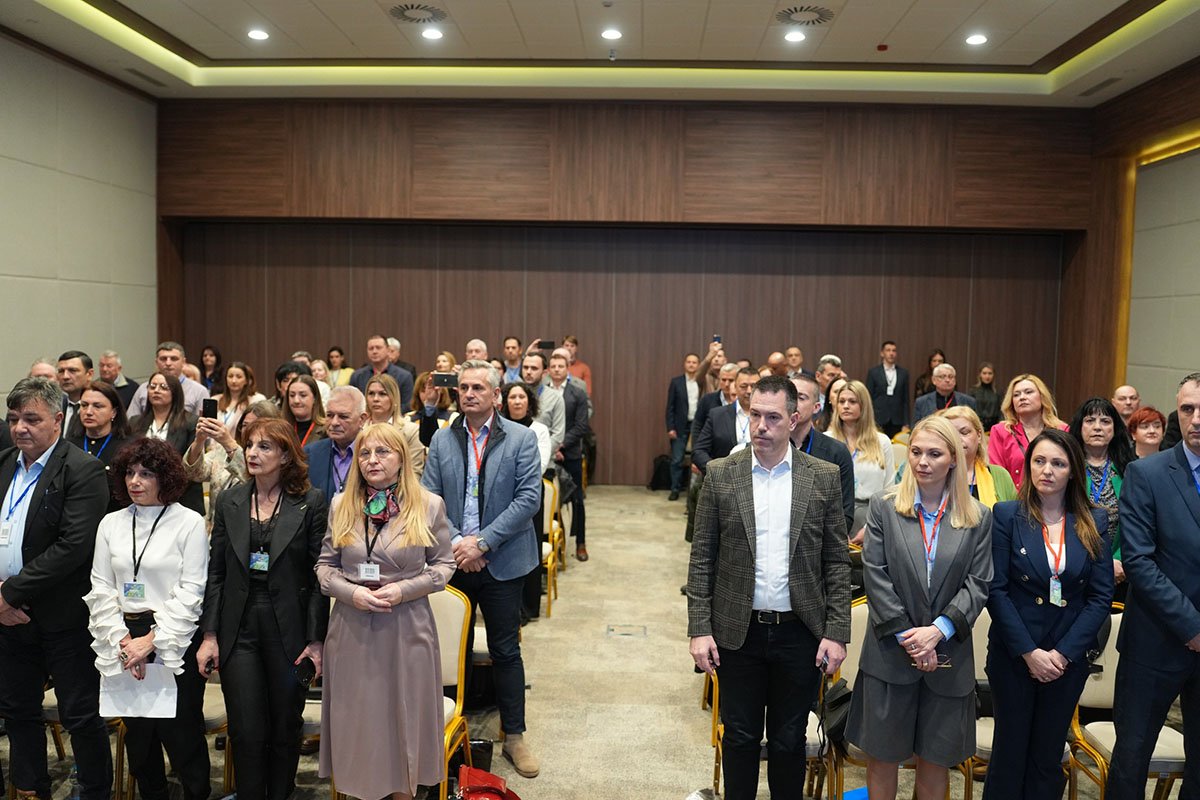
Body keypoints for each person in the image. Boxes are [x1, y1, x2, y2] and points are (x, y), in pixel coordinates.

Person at [687, 376, 851, 800]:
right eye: (755, 415)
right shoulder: (722, 474)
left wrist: (837, 632)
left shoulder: (822, 477)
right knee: (739, 737)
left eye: (773, 417)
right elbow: (702, 559)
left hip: (800, 631)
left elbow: (836, 562)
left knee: (788, 740)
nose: (761, 425)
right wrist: (699, 629)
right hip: (737, 631)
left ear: (794, 419)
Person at [845, 415, 993, 800]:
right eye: (916, 452)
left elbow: (978, 583)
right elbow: (876, 575)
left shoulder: (978, 517)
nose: (922, 461)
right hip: (890, 655)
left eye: (934, 454)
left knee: (935, 762)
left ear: (954, 459)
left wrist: (937, 632)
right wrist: (911, 638)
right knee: (882, 759)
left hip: (948, 656)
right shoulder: (884, 507)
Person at [315, 421, 455, 799]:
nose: (372, 460)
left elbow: (444, 567)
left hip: (406, 626)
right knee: (360, 726)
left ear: (401, 459)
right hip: (352, 628)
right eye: (364, 453)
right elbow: (325, 568)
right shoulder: (341, 505)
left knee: (402, 722)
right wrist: (351, 594)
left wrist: (403, 590)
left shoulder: (428, 505)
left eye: (382, 452)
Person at [420, 360, 543, 779]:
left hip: (503, 560)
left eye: (478, 388)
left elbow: (528, 500)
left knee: (505, 650)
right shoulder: (442, 439)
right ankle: (441, 729)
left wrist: (483, 542)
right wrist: (459, 543)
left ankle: (515, 736)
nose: (469, 394)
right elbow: (430, 496)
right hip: (453, 560)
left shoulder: (521, 438)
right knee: (446, 649)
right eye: (464, 387)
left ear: (495, 395)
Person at [196, 418, 328, 800]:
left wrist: (316, 641)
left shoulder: (311, 502)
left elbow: (319, 577)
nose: (252, 453)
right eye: (250, 445)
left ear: (285, 455)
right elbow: (216, 572)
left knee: (285, 727)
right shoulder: (230, 500)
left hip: (289, 627)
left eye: (264, 446)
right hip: (239, 626)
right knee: (246, 730)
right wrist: (209, 635)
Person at [983, 428, 1112, 800]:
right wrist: (1029, 652)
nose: (1047, 470)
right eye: (1039, 461)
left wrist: (1062, 655)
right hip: (1014, 655)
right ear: (1028, 466)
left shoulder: (1094, 520)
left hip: (1065, 660)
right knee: (1009, 755)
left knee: (1047, 758)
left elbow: (1100, 597)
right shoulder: (1007, 515)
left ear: (1073, 471)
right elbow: (996, 589)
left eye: (1058, 463)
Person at [0, 378, 112, 800]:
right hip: (8, 617)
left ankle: (94, 791)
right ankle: (31, 788)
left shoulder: (83, 469)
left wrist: (9, 593)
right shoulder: (4, 463)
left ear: (58, 420)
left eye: (31, 419)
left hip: (62, 616)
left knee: (79, 714)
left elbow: (73, 546)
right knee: (18, 710)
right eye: (13, 419)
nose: (20, 428)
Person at [85, 439, 211, 800]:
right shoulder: (111, 523)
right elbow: (100, 585)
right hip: (122, 634)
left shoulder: (188, 522)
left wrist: (151, 642)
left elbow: (192, 590)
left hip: (174, 635)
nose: (135, 481)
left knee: (182, 735)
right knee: (139, 740)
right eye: (129, 473)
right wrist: (123, 640)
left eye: (146, 474)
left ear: (165, 477)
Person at [1105, 372, 1200, 799]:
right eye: (1187, 409)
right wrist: (1192, 627)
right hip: (1155, 643)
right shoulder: (1147, 473)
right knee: (1131, 763)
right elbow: (1139, 561)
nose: (1196, 419)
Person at [1069, 397, 1134, 594]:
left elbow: (1137, 522)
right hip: (1072, 564)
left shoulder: (1130, 469)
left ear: (1115, 429)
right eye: (1090, 421)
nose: (1097, 427)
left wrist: (1118, 560)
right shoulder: (1067, 467)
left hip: (1118, 568)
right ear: (1080, 427)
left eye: (1105, 421)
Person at [825, 379, 896, 544]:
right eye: (841, 401)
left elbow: (890, 490)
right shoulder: (826, 440)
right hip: (834, 516)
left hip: (872, 516)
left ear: (864, 406)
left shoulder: (882, 441)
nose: (846, 406)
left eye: (852, 401)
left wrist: (870, 526)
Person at [130, 373, 205, 517]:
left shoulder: (190, 422)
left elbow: (192, 464)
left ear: (175, 392)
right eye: (152, 386)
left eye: (163, 387)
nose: (156, 391)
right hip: (143, 495)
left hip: (181, 496)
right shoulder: (135, 422)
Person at [789, 374, 855, 536]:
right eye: (790, 397)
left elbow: (845, 514)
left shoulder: (836, 451)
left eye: (801, 398)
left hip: (818, 541)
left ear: (816, 407)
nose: (793, 403)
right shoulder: (768, 449)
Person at [988, 374, 1068, 489]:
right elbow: (997, 475)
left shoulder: (1062, 430)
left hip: (1053, 496)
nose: (1022, 397)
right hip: (1013, 497)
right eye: (1016, 395)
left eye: (1028, 392)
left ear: (1042, 396)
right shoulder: (1001, 431)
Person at [547, 350, 590, 560]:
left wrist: (560, 445)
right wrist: (551, 447)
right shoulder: (542, 392)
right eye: (553, 366)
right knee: (550, 501)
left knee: (577, 500)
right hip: (547, 453)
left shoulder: (578, 393)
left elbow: (581, 426)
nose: (557, 370)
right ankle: (554, 544)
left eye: (560, 366)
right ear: (548, 369)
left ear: (567, 369)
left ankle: (581, 543)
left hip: (570, 453)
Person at [67, 381, 134, 511]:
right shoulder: (69, 445)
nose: (88, 412)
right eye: (84, 405)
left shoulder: (129, 447)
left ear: (113, 412)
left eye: (97, 406)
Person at [941, 406, 1017, 506]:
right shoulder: (934, 475)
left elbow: (1014, 514)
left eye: (964, 433)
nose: (957, 439)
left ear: (979, 435)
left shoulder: (1000, 475)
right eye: (951, 434)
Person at [305, 386, 368, 502]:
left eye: (343, 417)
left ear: (362, 419)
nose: (334, 422)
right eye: (330, 415)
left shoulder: (375, 455)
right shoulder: (310, 454)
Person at [364, 374, 426, 475]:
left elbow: (414, 472)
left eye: (382, 394)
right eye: (371, 393)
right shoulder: (359, 429)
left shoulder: (410, 431)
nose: (375, 399)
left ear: (393, 398)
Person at [128, 343, 210, 417]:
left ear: (183, 362)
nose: (168, 363)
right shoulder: (144, 388)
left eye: (174, 359)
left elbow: (205, 424)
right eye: (163, 359)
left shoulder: (199, 391)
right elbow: (131, 420)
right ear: (156, 362)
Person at [666, 353, 702, 501]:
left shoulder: (702, 382)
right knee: (677, 459)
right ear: (685, 364)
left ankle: (693, 491)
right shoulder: (676, 382)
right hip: (680, 425)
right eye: (689, 362)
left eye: (694, 362)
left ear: (698, 365)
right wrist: (670, 427)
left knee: (697, 458)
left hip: (697, 424)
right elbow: (670, 407)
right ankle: (675, 489)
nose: (691, 364)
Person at [351, 334, 414, 409]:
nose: (374, 351)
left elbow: (406, 405)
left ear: (388, 350)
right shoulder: (357, 376)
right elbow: (353, 403)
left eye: (378, 348)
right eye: (371, 348)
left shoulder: (404, 376)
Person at [521, 352, 566, 453]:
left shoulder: (555, 398)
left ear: (544, 373)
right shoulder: (513, 395)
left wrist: (539, 454)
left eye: (534, 368)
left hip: (543, 456)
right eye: (525, 367)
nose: (528, 372)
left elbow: (558, 435)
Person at [866, 340, 910, 439]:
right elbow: (868, 397)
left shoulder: (903, 373)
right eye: (888, 350)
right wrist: (869, 419)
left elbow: (906, 400)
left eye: (894, 351)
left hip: (897, 419)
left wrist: (906, 422)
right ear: (882, 353)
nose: (891, 353)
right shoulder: (873, 372)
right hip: (878, 418)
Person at [912, 363, 977, 424]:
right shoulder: (922, 402)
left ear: (954, 381)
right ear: (934, 380)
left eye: (950, 377)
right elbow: (915, 428)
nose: (947, 380)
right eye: (942, 377)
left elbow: (975, 426)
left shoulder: (969, 401)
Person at [213, 362, 265, 434]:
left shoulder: (256, 400)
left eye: (239, 377)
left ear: (246, 381)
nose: (234, 381)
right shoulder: (215, 400)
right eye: (230, 376)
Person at [409, 371, 456, 447]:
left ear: (442, 391)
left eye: (433, 389)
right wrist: (429, 404)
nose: (427, 393)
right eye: (423, 390)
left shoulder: (453, 417)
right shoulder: (408, 418)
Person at [282, 374, 327, 448]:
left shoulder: (326, 430)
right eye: (292, 395)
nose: (296, 401)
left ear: (315, 398)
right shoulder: (281, 429)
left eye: (303, 395)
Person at [56, 350, 94, 437]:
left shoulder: (99, 407)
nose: (65, 376)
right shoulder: (56, 406)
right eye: (61, 371)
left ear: (89, 374)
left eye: (72, 370)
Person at [969, 362, 1001, 431]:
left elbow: (1001, 412)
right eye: (984, 373)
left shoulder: (998, 392)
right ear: (980, 375)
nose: (987, 376)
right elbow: (969, 411)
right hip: (976, 426)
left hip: (994, 427)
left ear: (993, 375)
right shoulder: (973, 391)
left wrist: (998, 427)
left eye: (990, 373)